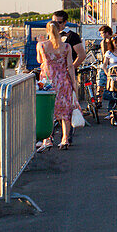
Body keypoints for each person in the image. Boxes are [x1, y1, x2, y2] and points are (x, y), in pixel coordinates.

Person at [39, 20, 78, 148]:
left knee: (48, 110)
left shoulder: (41, 45)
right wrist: (74, 83)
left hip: (47, 81)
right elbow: (70, 66)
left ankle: (48, 139)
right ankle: (65, 139)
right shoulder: (66, 47)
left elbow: (39, 60)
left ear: (47, 31)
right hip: (63, 80)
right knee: (65, 111)